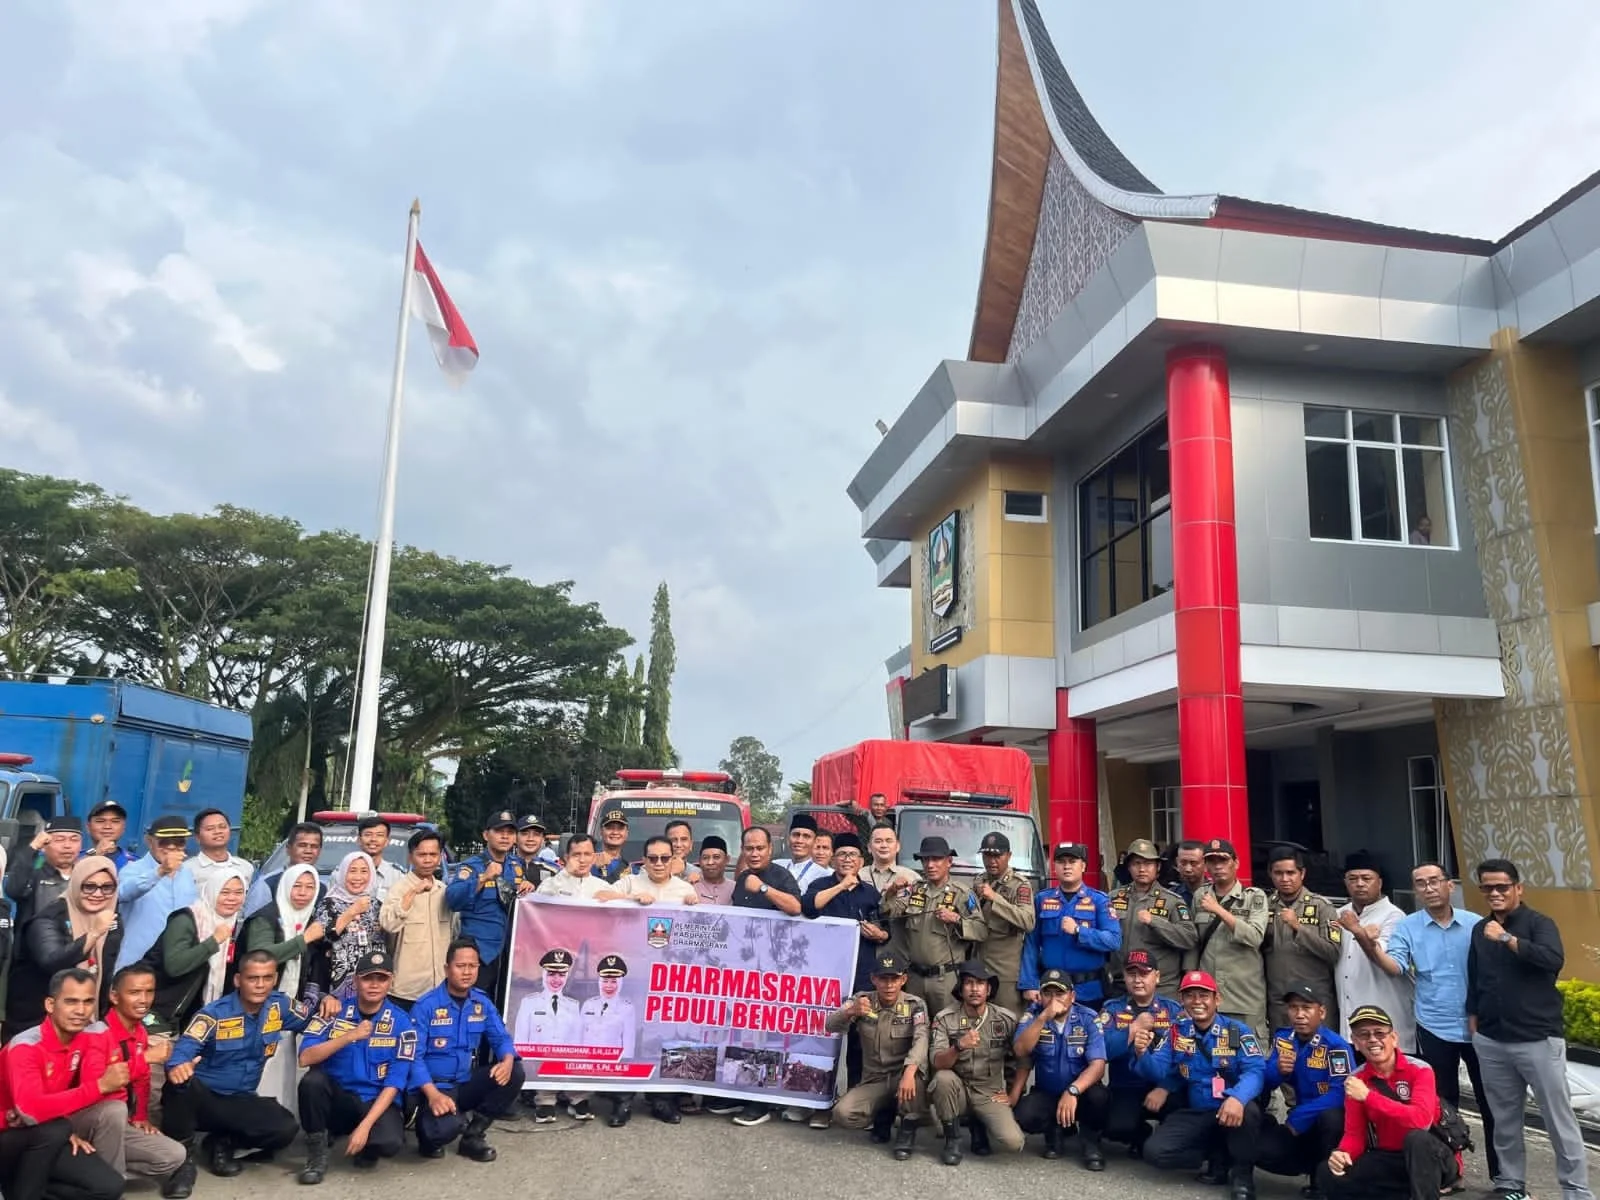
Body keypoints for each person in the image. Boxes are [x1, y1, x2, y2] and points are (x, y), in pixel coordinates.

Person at [1467, 857, 1593, 1200]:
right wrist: (1473, 1021)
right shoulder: (1480, 929)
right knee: (1504, 1118)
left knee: (1558, 1119)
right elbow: (1474, 978)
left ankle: (1576, 1190)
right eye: (1487, 887)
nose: (1494, 893)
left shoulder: (1539, 923)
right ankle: (1511, 1184)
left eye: (1502, 887)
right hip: (1492, 1039)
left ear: (1518, 888)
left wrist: (1507, 938)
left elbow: (1552, 960)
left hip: (1537, 1038)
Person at [1374, 860, 1497, 1179]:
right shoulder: (1408, 927)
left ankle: (1503, 1176)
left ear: (1449, 885)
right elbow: (1395, 967)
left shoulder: (1476, 925)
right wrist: (1364, 939)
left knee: (1492, 1102)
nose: (1428, 888)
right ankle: (1449, 1173)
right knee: (1441, 1106)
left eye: (1434, 881)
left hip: (1479, 1028)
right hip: (1434, 1026)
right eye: (1420, 883)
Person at [159, 950, 310, 1178]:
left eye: (267, 978)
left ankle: (223, 1143)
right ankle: (181, 1164)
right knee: (180, 1085)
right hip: (204, 1100)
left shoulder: (281, 1007)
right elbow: (184, 1048)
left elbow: (315, 1021)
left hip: (241, 1099)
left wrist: (327, 1002)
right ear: (238, 980)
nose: (260, 985)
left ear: (275, 979)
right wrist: (179, 1065)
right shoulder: (214, 1014)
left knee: (285, 1128)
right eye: (252, 978)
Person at [2, 968, 144, 1200]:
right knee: (53, 1129)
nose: (80, 1010)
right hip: (10, 1133)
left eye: (88, 1002)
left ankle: (16, 1188)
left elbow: (117, 1070)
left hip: (44, 1133)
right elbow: (31, 1112)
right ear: (50, 1004)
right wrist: (99, 1087)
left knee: (110, 1187)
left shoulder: (84, 1037)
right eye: (71, 1002)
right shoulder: (26, 1046)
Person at [1136, 970, 1266, 1200]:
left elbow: (1255, 1071)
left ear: (1217, 999)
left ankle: (1242, 1176)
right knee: (1154, 1153)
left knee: (1250, 1111)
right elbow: (1159, 1069)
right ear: (1182, 1000)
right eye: (1190, 995)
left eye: (1203, 995)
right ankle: (1215, 1154)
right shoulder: (1177, 1031)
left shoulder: (1237, 1030)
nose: (1197, 1002)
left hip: (1231, 1108)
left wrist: (1237, 1098)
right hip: (1199, 1110)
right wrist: (1141, 1053)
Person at [296, 948, 419, 1183]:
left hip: (374, 1100)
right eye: (367, 978)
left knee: (389, 1142)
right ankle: (317, 1154)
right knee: (312, 1082)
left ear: (390, 982)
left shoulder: (402, 1022)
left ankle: (366, 1145)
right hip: (340, 1100)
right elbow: (305, 1058)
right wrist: (348, 1036)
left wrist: (366, 1126)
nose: (374, 985)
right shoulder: (333, 1010)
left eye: (381, 979)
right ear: (355, 981)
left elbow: (396, 1081)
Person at [1314, 1004, 1460, 1200]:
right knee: (1326, 1173)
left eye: (1379, 1033)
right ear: (1356, 1043)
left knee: (1416, 1139)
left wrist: (1368, 1096)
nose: (1373, 1039)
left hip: (1434, 1156)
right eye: (1364, 1035)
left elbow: (1421, 1120)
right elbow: (1355, 1135)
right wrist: (1342, 1153)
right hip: (1391, 1157)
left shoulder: (1420, 1069)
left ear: (1394, 1038)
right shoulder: (1356, 1079)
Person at [410, 939, 523, 1162]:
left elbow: (501, 1038)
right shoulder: (426, 1006)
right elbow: (413, 1057)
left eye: (472, 966)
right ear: (447, 968)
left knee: (516, 1073)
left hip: (464, 1082)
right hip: (433, 1088)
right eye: (460, 966)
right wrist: (433, 1095)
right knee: (441, 1132)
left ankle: (473, 1137)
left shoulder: (481, 1002)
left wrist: (507, 1060)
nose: (467, 972)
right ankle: (428, 1135)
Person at [98, 962, 192, 1194]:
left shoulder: (140, 1030)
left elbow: (141, 1081)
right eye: (134, 992)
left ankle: (106, 1169)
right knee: (113, 1111)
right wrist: (147, 1057)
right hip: (96, 1122)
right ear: (114, 996)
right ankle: (105, 1180)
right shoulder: (98, 1034)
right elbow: (98, 1086)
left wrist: (141, 1118)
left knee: (174, 1155)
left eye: (149, 991)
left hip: (122, 1124)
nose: (143, 999)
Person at [6, 856, 124, 1040]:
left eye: (107, 887)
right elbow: (51, 961)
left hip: (84, 1022)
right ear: (76, 885)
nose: (98, 894)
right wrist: (93, 934)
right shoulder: (48, 918)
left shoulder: (111, 920)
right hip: (36, 1022)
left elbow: (106, 971)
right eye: (89, 886)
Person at [826, 951, 929, 1159]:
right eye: (883, 979)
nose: (889, 985)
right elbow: (830, 1025)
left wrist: (909, 1072)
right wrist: (851, 1012)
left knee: (915, 1080)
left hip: (903, 1075)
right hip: (875, 1078)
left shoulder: (915, 1005)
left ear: (904, 979)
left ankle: (907, 1130)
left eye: (894, 979)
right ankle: (884, 1111)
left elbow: (921, 1039)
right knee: (842, 1114)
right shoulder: (861, 1000)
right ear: (874, 979)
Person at [242, 862, 325, 1113]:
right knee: (257, 1071)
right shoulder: (266, 918)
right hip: (258, 1007)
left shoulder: (311, 919)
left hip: (288, 1009)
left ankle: (275, 1127)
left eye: (310, 887)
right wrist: (304, 939)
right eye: (297, 886)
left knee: (281, 1072)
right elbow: (261, 957)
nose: (303, 892)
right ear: (285, 886)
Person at [928, 959, 1026, 1165]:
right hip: (958, 1089)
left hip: (988, 1092)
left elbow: (1023, 1057)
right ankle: (952, 1140)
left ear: (989, 989)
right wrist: (958, 1046)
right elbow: (938, 1062)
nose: (975, 989)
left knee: (1014, 1142)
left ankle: (978, 1123)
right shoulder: (945, 1018)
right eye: (969, 983)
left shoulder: (1005, 1019)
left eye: (981, 983)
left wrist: (1013, 1093)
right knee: (943, 1079)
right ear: (960, 988)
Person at [1257, 984, 1351, 1196]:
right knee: (1263, 1151)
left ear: (1322, 1012)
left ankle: (1324, 1183)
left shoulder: (1336, 1046)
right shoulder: (1283, 1039)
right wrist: (1278, 1070)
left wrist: (1298, 1118)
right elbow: (1265, 1082)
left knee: (1332, 1118)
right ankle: (1305, 1166)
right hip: (1300, 1122)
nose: (1299, 1014)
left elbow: (1340, 1093)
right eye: (1293, 1007)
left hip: (1324, 1122)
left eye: (1307, 1008)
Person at [1012, 969, 1109, 1169]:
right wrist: (1042, 1019)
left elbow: (1098, 1066)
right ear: (1041, 996)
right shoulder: (1033, 1015)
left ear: (1072, 996)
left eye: (1060, 994)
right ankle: (1053, 1131)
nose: (1053, 999)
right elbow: (1021, 1050)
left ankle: (1090, 1141)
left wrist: (1072, 1091)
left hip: (1080, 1092)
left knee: (1100, 1097)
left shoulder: (1088, 1018)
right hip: (1047, 1091)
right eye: (1048, 993)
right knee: (1025, 1114)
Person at [1095, 950, 1184, 1156]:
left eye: (1144, 974)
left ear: (1157, 977)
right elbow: (1102, 1051)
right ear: (1124, 977)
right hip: (1126, 1086)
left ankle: (1167, 1139)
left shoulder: (1172, 1010)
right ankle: (1140, 1134)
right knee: (1117, 1128)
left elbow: (1185, 1056)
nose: (1137, 980)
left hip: (1163, 1086)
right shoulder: (1112, 1010)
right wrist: (1132, 1028)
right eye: (1131, 974)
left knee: (1186, 1104)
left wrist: (1165, 1087)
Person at [881, 835, 986, 1005]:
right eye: (925, 859)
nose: (930, 865)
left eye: (936, 859)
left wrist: (956, 919)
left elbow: (981, 930)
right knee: (913, 1026)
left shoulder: (962, 893)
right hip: (914, 977)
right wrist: (892, 891)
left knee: (947, 1027)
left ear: (949, 861)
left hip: (945, 979)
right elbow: (889, 911)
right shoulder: (915, 889)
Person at [1019, 842, 1120, 1010]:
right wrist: (1029, 983)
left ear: (1083, 866)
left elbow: (1114, 940)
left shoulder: (1099, 901)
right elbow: (1031, 944)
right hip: (1051, 990)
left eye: (1072, 861)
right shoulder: (1042, 900)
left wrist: (1079, 931)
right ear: (1054, 866)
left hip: (1089, 992)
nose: (1066, 866)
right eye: (1061, 862)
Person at [1188, 838, 1269, 1036]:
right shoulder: (1200, 896)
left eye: (1223, 860)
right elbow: (1193, 942)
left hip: (1244, 995)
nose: (1217, 866)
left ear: (1236, 863)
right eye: (1212, 861)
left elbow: (1254, 936)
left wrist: (1219, 910)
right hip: (1208, 995)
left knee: (1249, 1056)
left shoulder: (1254, 896)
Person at [151, 867, 247, 1032]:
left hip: (208, 1015)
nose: (232, 898)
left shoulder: (235, 925)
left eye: (238, 893)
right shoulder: (186, 919)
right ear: (212, 891)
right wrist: (214, 941)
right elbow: (174, 966)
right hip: (167, 1012)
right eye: (224, 892)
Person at [1334, 854, 1413, 1049]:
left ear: (1379, 882)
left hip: (1386, 1020)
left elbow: (1386, 961)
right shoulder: (1339, 914)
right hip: (1349, 1022)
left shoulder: (1394, 916)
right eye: (1353, 879)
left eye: (1366, 878)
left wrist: (1357, 931)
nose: (1359, 884)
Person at [1263, 845, 1342, 1031]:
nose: (1285, 879)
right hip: (1279, 1000)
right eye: (1278, 873)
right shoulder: (1265, 906)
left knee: (1319, 1054)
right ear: (1270, 874)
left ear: (1302, 873)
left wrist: (1298, 927)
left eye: (1290, 873)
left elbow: (1333, 952)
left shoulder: (1322, 906)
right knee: (1284, 1056)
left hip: (1313, 999)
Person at [445, 810, 525, 991]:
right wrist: (482, 879)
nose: (505, 836)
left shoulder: (516, 866)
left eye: (510, 832)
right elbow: (452, 899)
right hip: (479, 951)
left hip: (508, 952)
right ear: (486, 835)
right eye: (499, 831)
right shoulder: (471, 866)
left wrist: (527, 887)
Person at [1108, 838, 1196, 997]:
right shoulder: (1113, 898)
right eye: (1136, 863)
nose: (1142, 869)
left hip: (1161, 988)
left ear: (1158, 867)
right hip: (1122, 986)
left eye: (1148, 864)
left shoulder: (1172, 900)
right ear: (1129, 867)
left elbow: (1189, 938)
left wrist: (1154, 922)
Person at [379, 828, 453, 1009]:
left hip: (441, 987)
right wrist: (412, 893)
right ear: (411, 857)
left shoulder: (444, 891)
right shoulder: (399, 888)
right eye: (422, 854)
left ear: (440, 857)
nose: (428, 860)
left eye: (433, 854)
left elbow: (454, 932)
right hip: (407, 990)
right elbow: (388, 924)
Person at [513, 948, 590, 1122]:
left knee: (575, 1065)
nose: (556, 980)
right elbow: (520, 1038)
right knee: (545, 1070)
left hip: (565, 1061)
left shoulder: (573, 1005)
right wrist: (524, 1063)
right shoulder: (529, 1003)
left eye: (561, 975)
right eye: (551, 974)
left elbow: (577, 1039)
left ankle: (577, 1099)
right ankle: (545, 1101)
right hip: (539, 1063)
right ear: (544, 975)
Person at [116, 814, 198, 972]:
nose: (172, 847)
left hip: (175, 963)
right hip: (137, 961)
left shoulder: (187, 874)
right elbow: (123, 893)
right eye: (165, 842)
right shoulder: (132, 869)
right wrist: (160, 872)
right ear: (149, 841)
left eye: (179, 842)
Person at [972, 832, 1036, 1015]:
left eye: (997, 856)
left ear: (1008, 855)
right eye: (987, 856)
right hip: (979, 964)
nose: (992, 861)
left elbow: (1028, 921)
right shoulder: (979, 880)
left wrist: (995, 899)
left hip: (1005, 972)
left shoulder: (1020, 885)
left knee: (1007, 1022)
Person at [312, 852, 383, 1001]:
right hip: (337, 985)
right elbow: (323, 939)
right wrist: (352, 911)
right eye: (352, 871)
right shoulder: (329, 903)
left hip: (373, 981)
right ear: (343, 873)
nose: (358, 877)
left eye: (364, 871)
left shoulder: (376, 904)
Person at [5, 814, 82, 928]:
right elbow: (13, 890)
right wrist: (32, 848)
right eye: (59, 839)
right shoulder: (34, 874)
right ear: (45, 844)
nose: (67, 845)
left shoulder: (86, 876)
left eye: (74, 839)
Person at [245, 821, 324, 914]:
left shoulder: (321, 888)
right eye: (302, 845)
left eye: (314, 846)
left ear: (319, 851)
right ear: (288, 849)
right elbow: (253, 923)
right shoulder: (267, 884)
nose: (308, 851)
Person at [602, 836, 700, 905]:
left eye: (664, 858)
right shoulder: (630, 882)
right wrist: (632, 898)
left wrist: (692, 904)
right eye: (653, 858)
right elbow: (600, 895)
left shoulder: (685, 889)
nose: (659, 863)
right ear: (644, 860)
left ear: (672, 859)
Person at [185, 809, 253, 891]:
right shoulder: (186, 870)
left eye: (222, 827)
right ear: (197, 837)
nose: (217, 831)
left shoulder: (246, 867)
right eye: (210, 829)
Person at [535, 834, 609, 901]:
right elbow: (538, 902)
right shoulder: (551, 883)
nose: (582, 860)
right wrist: (566, 873)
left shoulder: (603, 887)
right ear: (567, 858)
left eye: (587, 854)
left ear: (593, 858)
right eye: (576, 855)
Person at [355, 815, 404, 903]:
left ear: (386, 841)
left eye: (379, 835)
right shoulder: (341, 874)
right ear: (359, 840)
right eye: (368, 834)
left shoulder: (398, 876)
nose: (373, 839)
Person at [82, 801, 134, 871]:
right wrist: (95, 854)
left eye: (115, 821)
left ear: (123, 828)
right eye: (100, 821)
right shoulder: (73, 859)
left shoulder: (135, 862)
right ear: (88, 827)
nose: (107, 826)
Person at [591, 808, 632, 884]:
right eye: (610, 828)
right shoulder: (588, 861)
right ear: (601, 832)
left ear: (626, 834)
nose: (615, 832)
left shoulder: (631, 868)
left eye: (620, 828)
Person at [693, 835, 735, 905]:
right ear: (699, 860)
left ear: (727, 859)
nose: (710, 862)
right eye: (705, 858)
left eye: (716, 857)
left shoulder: (735, 889)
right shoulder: (690, 887)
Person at [1172, 840, 1207, 905]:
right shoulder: (1171, 895)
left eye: (1194, 863)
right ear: (1177, 862)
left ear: (1205, 864)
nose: (1188, 869)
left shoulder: (1216, 894)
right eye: (1183, 863)